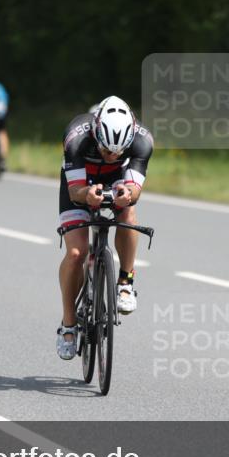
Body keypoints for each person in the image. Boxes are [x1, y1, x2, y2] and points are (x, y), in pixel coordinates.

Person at [56, 95, 154, 360]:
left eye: (118, 151)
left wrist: (127, 194)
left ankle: (125, 281)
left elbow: (134, 189)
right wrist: (88, 194)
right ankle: (68, 325)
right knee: (76, 253)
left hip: (116, 179)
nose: (111, 155)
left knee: (128, 212)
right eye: (106, 149)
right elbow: (76, 191)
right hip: (81, 181)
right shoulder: (76, 137)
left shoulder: (143, 140)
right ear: (96, 133)